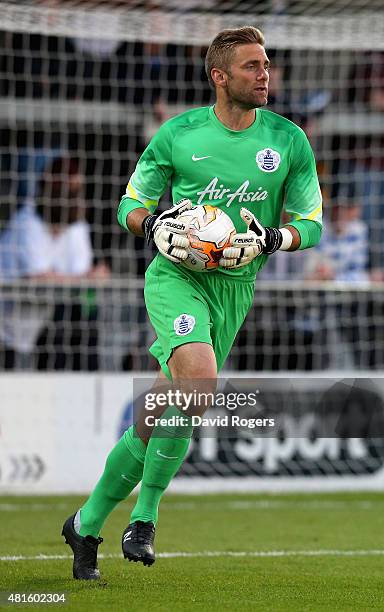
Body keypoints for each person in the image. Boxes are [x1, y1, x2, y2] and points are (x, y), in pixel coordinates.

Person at [62, 26, 322, 580]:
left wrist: (276, 238)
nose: (265, 75)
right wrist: (153, 224)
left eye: (267, 65)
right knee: (199, 382)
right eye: (252, 66)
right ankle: (146, 516)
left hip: (236, 287)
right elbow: (129, 203)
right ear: (219, 76)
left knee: (160, 412)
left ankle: (85, 524)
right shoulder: (178, 135)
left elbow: (312, 223)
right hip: (176, 277)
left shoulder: (289, 140)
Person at [0, 156, 109, 370]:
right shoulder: (27, 223)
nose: (79, 201)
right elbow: (40, 278)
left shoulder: (76, 227)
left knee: (82, 317)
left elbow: (86, 277)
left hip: (39, 324)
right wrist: (85, 279)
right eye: (72, 192)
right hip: (5, 326)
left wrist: (91, 277)